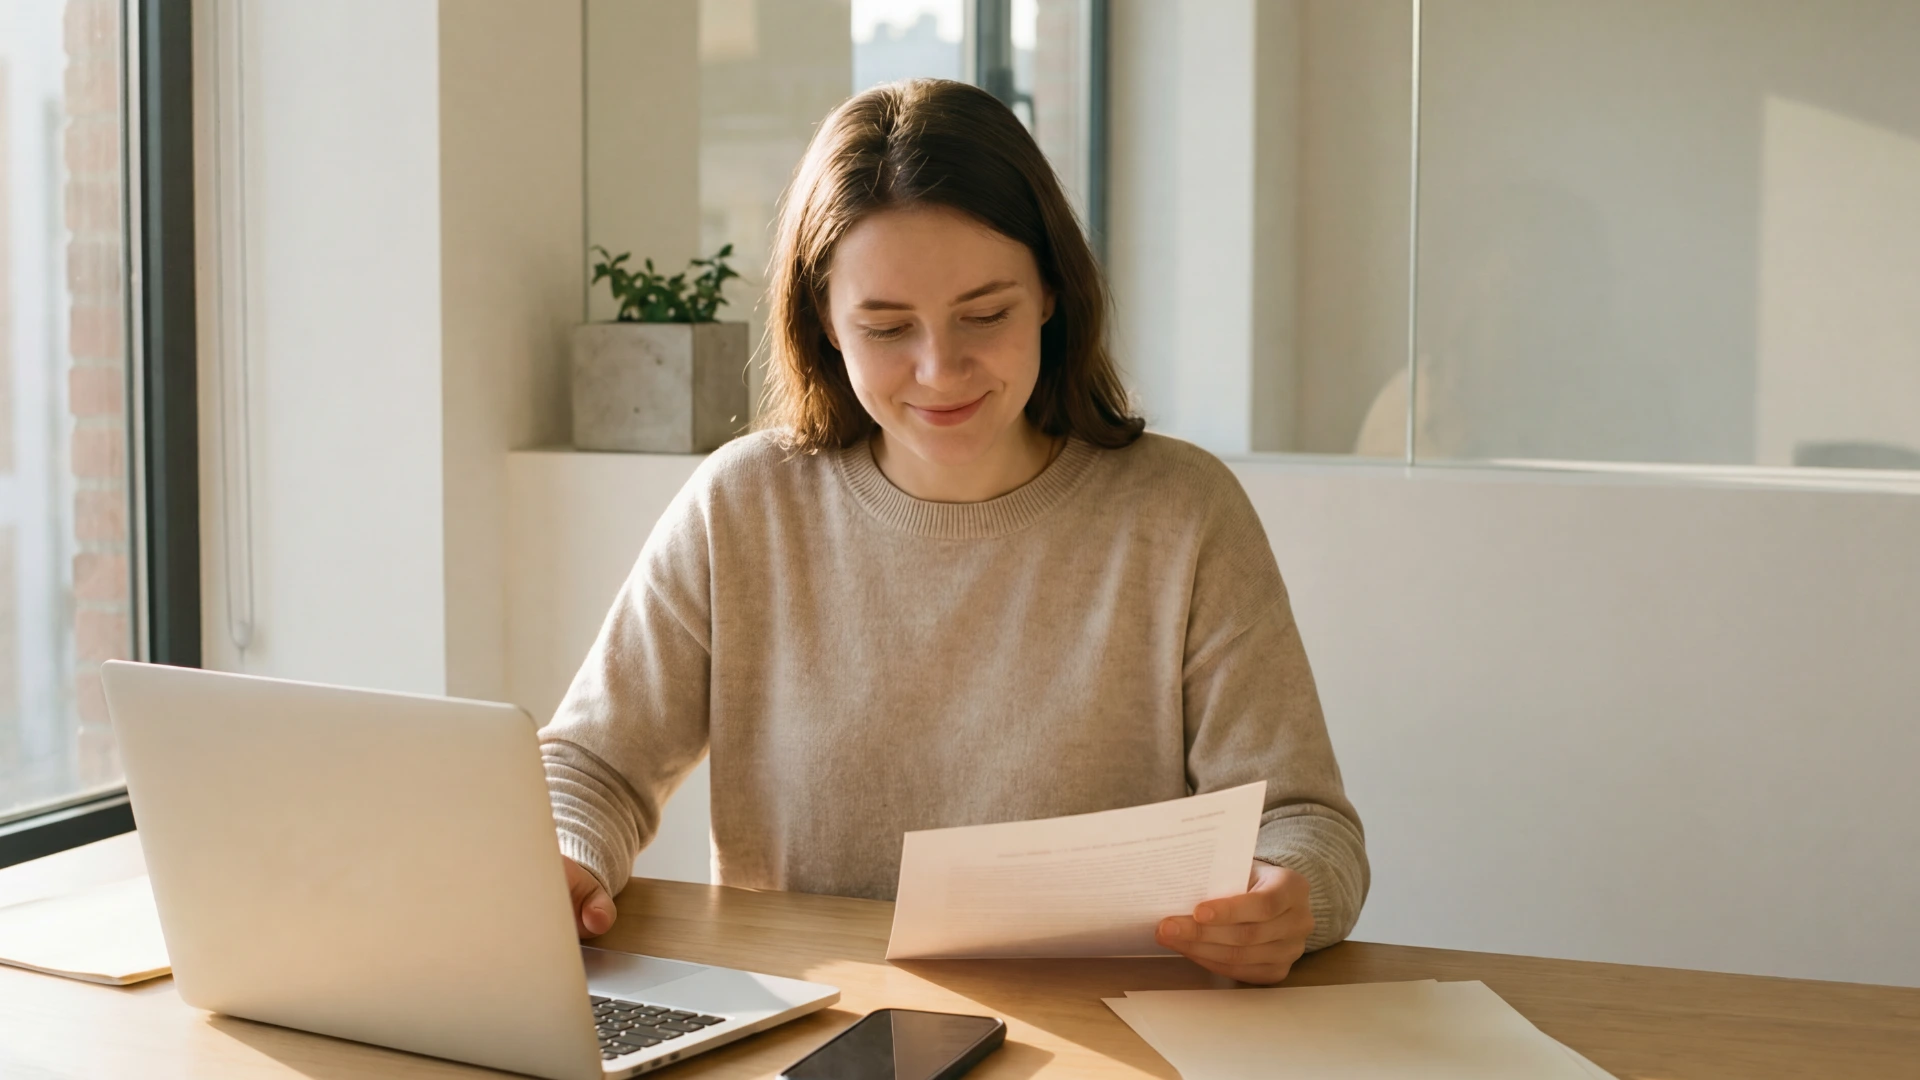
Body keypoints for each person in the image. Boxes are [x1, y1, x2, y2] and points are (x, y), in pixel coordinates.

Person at [541, 78, 1367, 986]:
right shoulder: (743, 506)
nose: (940, 369)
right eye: (887, 326)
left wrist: (1290, 897)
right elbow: (589, 768)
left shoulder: (1180, 512)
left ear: (1052, 290)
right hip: (809, 1020)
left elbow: (1304, 823)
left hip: (1104, 1028)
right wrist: (563, 858)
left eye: (986, 314)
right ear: (824, 321)